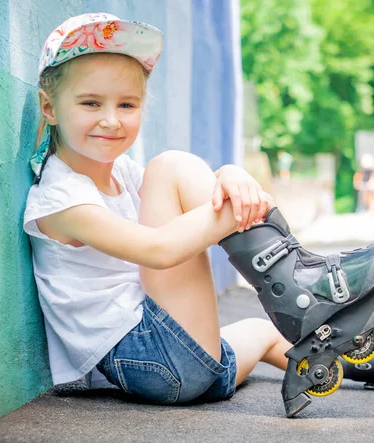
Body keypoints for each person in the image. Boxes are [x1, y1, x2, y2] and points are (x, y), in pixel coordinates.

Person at [24, 13, 291, 405]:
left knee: (264, 331)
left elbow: (192, 200)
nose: (111, 120)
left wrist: (230, 173)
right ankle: (295, 275)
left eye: (127, 104)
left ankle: (369, 357)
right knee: (171, 165)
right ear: (49, 107)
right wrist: (241, 205)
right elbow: (160, 250)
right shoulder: (60, 197)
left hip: (180, 358)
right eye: (91, 103)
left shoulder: (126, 176)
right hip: (151, 357)